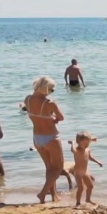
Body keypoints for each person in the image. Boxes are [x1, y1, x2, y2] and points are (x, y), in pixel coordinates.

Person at [24, 76, 64, 204]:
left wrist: (49, 118)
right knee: (57, 169)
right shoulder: (50, 103)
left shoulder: (27, 99)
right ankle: (42, 193)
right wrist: (54, 119)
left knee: (49, 168)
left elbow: (35, 115)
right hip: (51, 137)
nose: (51, 92)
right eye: (51, 90)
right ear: (46, 89)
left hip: (37, 137)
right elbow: (61, 117)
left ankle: (54, 195)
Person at [69, 132, 102, 206]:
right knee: (81, 188)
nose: (88, 144)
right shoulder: (76, 150)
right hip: (77, 172)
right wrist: (72, 143)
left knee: (90, 186)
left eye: (88, 143)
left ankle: (88, 199)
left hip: (85, 171)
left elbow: (90, 157)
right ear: (79, 142)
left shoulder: (87, 150)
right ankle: (78, 202)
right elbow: (72, 149)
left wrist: (97, 162)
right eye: (86, 143)